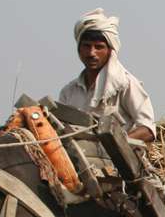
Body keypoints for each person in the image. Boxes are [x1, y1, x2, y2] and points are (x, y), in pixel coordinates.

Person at [58, 8, 156, 143]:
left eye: (98, 47)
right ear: (79, 49)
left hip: (119, 161)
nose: (92, 53)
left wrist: (115, 145)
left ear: (110, 50)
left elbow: (148, 129)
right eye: (86, 46)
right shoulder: (69, 92)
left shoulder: (125, 84)